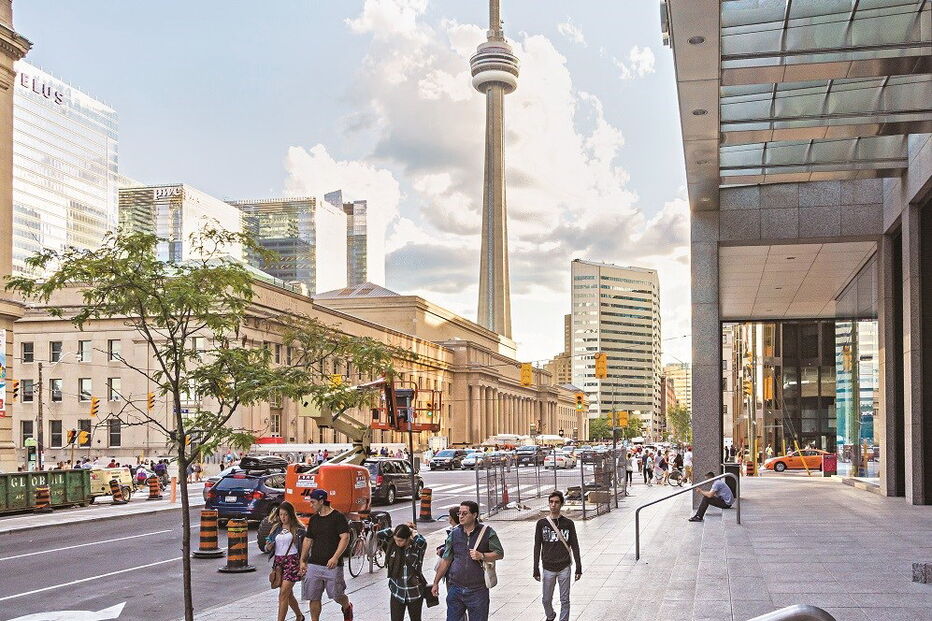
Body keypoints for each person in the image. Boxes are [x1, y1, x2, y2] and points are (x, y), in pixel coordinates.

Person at [432, 501, 504, 621]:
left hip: (478, 590)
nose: (461, 516)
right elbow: (446, 560)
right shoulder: (454, 534)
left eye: (465, 513)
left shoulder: (487, 532)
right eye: (459, 513)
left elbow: (499, 553)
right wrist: (436, 583)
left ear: (474, 515)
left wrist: (482, 555)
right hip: (456, 588)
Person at [299, 489, 354, 621]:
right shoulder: (314, 519)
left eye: (313, 502)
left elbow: (345, 537)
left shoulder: (338, 517)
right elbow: (308, 540)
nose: (310, 505)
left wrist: (335, 557)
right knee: (313, 597)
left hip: (332, 566)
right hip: (314, 564)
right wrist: (302, 560)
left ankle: (347, 606)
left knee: (337, 595)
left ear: (321, 501)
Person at [533, 491, 582, 621]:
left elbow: (575, 545)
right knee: (546, 599)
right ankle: (550, 615)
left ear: (561, 504)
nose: (553, 505)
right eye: (551, 502)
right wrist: (535, 568)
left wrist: (578, 567)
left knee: (564, 599)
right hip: (548, 567)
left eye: (556, 502)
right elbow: (537, 546)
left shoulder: (568, 524)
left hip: (564, 567)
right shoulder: (541, 524)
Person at [264, 501, 306, 621]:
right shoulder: (276, 528)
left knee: (283, 594)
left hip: (292, 562)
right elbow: (267, 545)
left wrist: (304, 562)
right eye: (281, 514)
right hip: (279, 563)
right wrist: (269, 546)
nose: (283, 517)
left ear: (291, 515)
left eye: (285, 514)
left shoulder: (298, 529)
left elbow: (306, 547)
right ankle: (299, 616)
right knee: (288, 594)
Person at [377, 523, 427, 621]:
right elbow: (379, 534)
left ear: (408, 538)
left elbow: (422, 541)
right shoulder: (392, 546)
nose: (397, 542)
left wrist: (413, 531)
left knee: (416, 619)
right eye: (395, 539)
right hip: (397, 590)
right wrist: (395, 529)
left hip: (414, 591)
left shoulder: (416, 547)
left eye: (400, 540)